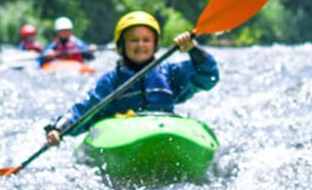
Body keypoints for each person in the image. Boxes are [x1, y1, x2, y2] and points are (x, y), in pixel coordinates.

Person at [43, 10, 219, 145]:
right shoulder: (111, 81)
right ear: (122, 46)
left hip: (165, 131)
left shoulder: (170, 74)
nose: (140, 45)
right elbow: (84, 110)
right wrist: (59, 128)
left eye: (146, 40)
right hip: (124, 135)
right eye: (134, 40)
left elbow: (209, 76)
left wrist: (193, 50)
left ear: (155, 45)